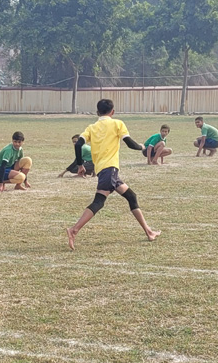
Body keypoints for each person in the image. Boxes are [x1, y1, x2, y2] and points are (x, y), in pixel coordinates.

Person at [66, 99, 161, 251]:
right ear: (113, 112)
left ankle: (149, 232)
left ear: (97, 112)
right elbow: (130, 143)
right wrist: (142, 147)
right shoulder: (117, 124)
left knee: (131, 196)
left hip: (105, 170)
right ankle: (74, 230)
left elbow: (78, 144)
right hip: (109, 169)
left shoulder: (92, 127)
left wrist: (80, 165)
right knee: (99, 202)